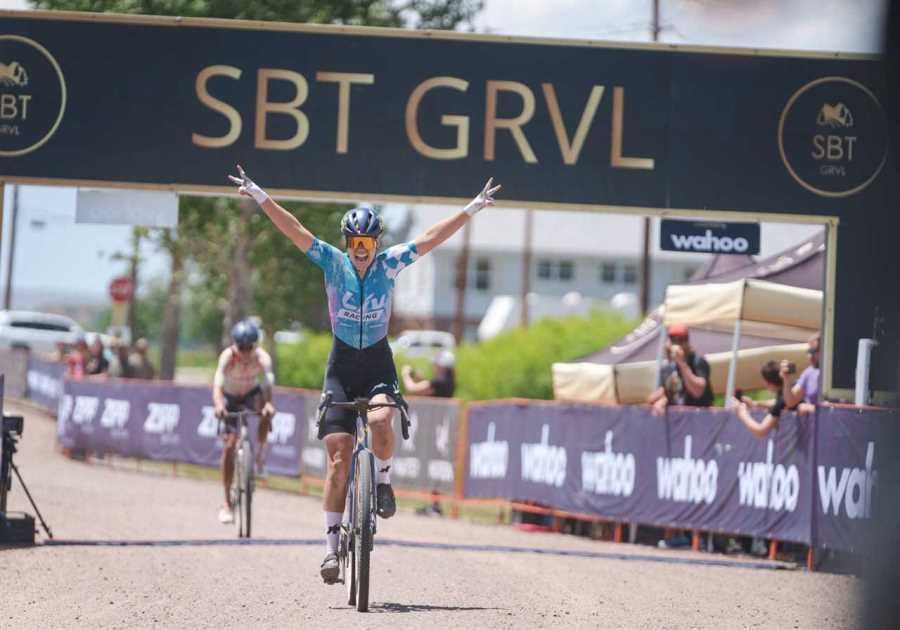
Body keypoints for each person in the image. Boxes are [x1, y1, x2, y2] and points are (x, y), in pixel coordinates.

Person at [228, 164, 500, 584]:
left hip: (376, 361)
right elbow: (295, 229)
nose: (360, 249)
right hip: (340, 365)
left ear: (375, 243)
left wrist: (472, 209)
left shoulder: (389, 264)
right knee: (338, 459)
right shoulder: (332, 263)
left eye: (366, 242)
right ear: (348, 243)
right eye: (355, 242)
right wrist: (261, 196)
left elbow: (430, 239)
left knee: (379, 421)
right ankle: (331, 550)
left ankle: (384, 480)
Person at [212, 319, 276, 524]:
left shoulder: (262, 358)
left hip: (250, 394)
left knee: (267, 412)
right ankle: (226, 503)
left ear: (255, 345)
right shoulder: (227, 357)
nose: (246, 353)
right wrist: (219, 406)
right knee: (229, 445)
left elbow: (267, 384)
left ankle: (258, 457)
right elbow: (217, 387)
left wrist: (268, 404)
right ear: (234, 345)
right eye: (242, 347)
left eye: (250, 347)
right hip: (230, 397)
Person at [647, 324, 713, 416]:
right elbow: (659, 395)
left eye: (682, 340)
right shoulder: (667, 369)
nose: (677, 344)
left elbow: (697, 391)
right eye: (673, 340)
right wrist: (660, 401)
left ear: (687, 342)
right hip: (677, 423)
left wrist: (682, 363)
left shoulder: (698, 362)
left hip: (699, 419)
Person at [733, 360, 799, 438]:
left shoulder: (781, 402)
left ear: (768, 383)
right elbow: (777, 402)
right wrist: (755, 403)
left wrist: (742, 413)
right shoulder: (795, 388)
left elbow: (761, 431)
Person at [783, 332, 820, 415]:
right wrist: (786, 379)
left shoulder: (836, 375)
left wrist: (811, 409)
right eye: (809, 351)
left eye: (814, 351)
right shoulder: (809, 373)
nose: (810, 356)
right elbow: (791, 401)